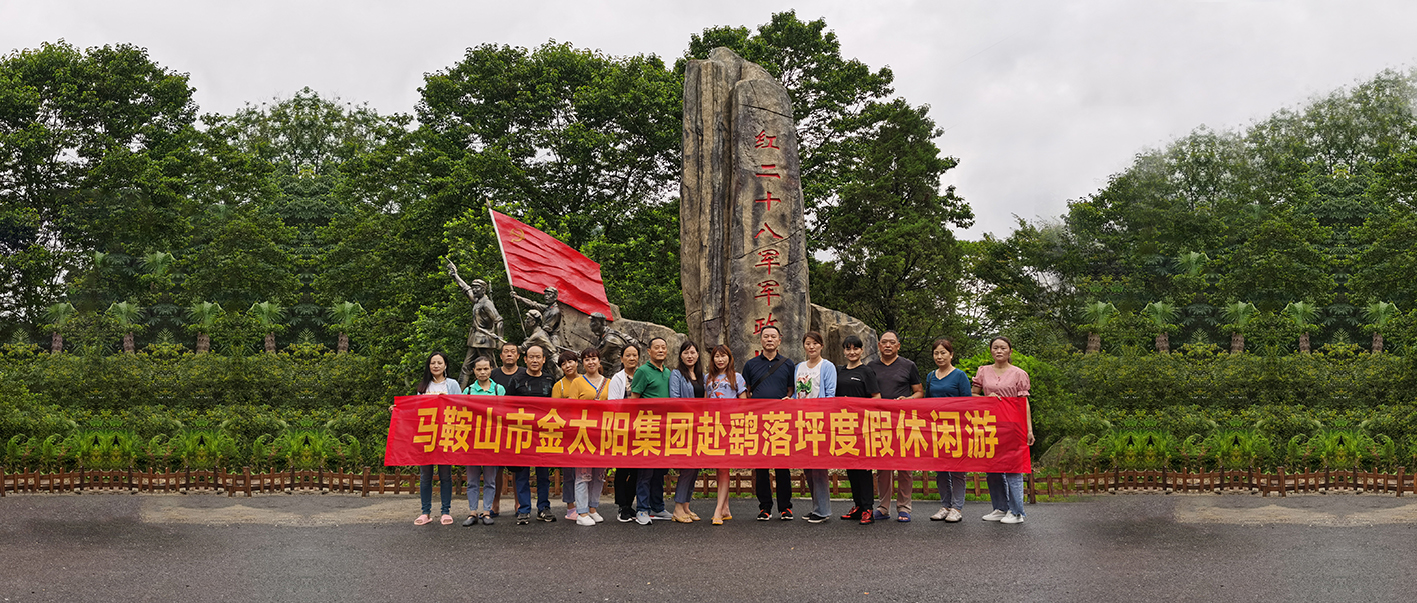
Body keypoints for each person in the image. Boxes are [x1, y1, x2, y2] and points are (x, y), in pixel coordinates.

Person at [972, 336, 1033, 525]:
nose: (999, 351)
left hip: (1013, 425)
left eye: (1003, 348)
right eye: (995, 347)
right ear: (991, 350)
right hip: (990, 425)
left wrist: (1029, 429)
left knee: (1013, 469)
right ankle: (1000, 508)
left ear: (1010, 351)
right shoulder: (983, 371)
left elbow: (1024, 403)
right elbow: (973, 395)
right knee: (993, 469)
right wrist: (986, 398)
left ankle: (1017, 512)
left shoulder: (1019, 374)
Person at [742, 325, 797, 521]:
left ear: (779, 340)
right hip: (759, 420)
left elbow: (790, 390)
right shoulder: (750, 365)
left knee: (782, 465)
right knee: (761, 466)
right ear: (761, 340)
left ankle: (785, 507)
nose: (769, 340)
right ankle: (764, 507)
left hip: (781, 420)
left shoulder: (788, 364)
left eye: (773, 336)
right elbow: (747, 391)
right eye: (766, 336)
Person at [868, 330, 923, 522]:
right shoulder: (871, 367)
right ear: (879, 345)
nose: (888, 345)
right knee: (882, 467)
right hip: (879, 422)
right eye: (884, 342)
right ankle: (883, 507)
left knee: (904, 466)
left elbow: (919, 392)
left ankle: (904, 508)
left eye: (892, 342)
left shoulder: (908, 365)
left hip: (903, 421)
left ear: (898, 346)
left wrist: (908, 400)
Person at [552, 349, 610, 526]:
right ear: (582, 363)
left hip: (603, 434)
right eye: (587, 359)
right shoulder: (577, 382)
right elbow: (571, 409)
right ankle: (582, 512)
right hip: (583, 434)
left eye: (593, 358)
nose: (591, 362)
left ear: (599, 361)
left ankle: (593, 508)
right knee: (583, 474)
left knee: (599, 474)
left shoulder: (609, 382)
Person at [507, 344, 557, 524]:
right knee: (522, 474)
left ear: (544, 359)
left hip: (544, 433)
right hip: (522, 433)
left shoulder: (550, 380)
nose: (534, 360)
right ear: (525, 359)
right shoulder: (516, 380)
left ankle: (543, 508)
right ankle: (524, 509)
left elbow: (557, 406)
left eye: (538, 357)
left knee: (543, 473)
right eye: (531, 357)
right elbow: (507, 407)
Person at [924, 339, 971, 523]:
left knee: (957, 470)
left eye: (943, 352)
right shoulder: (931, 376)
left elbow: (967, 402)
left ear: (951, 355)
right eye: (936, 353)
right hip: (937, 429)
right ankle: (945, 506)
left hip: (956, 428)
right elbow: (927, 402)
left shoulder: (959, 375)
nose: (939, 356)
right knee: (941, 470)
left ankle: (957, 508)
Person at [836, 335, 881, 525]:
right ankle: (858, 506)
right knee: (851, 467)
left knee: (863, 468)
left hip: (862, 427)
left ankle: (868, 508)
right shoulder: (839, 371)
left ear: (862, 350)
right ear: (844, 351)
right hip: (844, 426)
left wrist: (857, 405)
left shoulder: (867, 371)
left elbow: (877, 398)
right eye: (848, 348)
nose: (852, 352)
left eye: (855, 348)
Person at [411, 352, 460, 526]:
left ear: (445, 365)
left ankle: (445, 511)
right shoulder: (423, 386)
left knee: (445, 475)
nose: (436, 366)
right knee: (425, 475)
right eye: (433, 363)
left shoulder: (452, 384)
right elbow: (415, 409)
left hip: (446, 434)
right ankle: (425, 512)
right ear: (429, 366)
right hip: (426, 435)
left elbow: (461, 407)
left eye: (439, 362)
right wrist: (399, 409)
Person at [793, 331, 837, 524]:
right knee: (808, 467)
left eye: (815, 343)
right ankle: (816, 507)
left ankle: (823, 510)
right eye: (808, 343)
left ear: (821, 346)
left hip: (819, 422)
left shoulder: (827, 366)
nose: (811, 347)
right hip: (801, 422)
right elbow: (797, 393)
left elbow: (830, 394)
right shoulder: (799, 367)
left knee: (819, 467)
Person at [630, 337, 673, 525]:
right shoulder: (642, 371)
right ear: (649, 351)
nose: (661, 350)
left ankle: (658, 507)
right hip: (647, 428)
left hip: (664, 429)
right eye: (657, 347)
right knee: (645, 471)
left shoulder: (668, 372)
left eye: (663, 347)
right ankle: (642, 509)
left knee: (660, 471)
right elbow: (634, 400)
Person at [703, 344, 747, 525]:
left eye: (723, 356)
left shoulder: (737, 377)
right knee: (719, 467)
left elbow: (744, 404)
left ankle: (718, 510)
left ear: (729, 358)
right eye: (717, 356)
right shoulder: (708, 378)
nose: (720, 359)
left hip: (729, 426)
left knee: (723, 467)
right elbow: (705, 402)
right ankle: (725, 507)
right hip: (713, 426)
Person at [461, 355, 502, 526]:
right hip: (472, 440)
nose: (482, 372)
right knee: (472, 480)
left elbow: (504, 413)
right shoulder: (468, 391)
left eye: (486, 368)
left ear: (491, 369)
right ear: (473, 371)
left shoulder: (499, 389)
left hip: (492, 439)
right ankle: (472, 512)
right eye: (479, 369)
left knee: (490, 479)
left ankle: (487, 511)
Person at [447, 261, 504, 385]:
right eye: (473, 287)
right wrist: (455, 275)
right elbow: (466, 289)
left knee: (491, 368)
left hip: (485, 341)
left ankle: (497, 391)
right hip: (475, 340)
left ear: (483, 289)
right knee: (466, 368)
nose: (473, 289)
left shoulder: (486, 303)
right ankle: (459, 393)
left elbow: (499, 320)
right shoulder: (478, 301)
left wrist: (500, 340)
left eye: (476, 287)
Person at [485, 341, 525, 517]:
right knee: (497, 467)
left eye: (513, 352)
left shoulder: (524, 373)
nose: (509, 354)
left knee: (517, 468)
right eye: (506, 352)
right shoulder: (493, 374)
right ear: (500, 356)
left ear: (518, 356)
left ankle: (518, 503)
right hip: (496, 426)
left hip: (519, 425)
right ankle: (495, 503)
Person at [668, 341, 705, 523]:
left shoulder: (701, 375)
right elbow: (674, 400)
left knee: (696, 466)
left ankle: (686, 506)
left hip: (700, 427)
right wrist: (693, 414)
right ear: (681, 355)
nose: (690, 356)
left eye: (693, 352)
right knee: (687, 467)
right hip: (685, 426)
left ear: (697, 355)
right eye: (686, 353)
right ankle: (677, 508)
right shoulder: (676, 374)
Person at [608, 343, 641, 522]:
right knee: (622, 469)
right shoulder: (617, 378)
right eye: (627, 355)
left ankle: (630, 504)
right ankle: (622, 506)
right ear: (621, 358)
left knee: (637, 470)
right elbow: (613, 404)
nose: (631, 358)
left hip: (641, 430)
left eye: (634, 355)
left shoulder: (642, 375)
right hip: (623, 429)